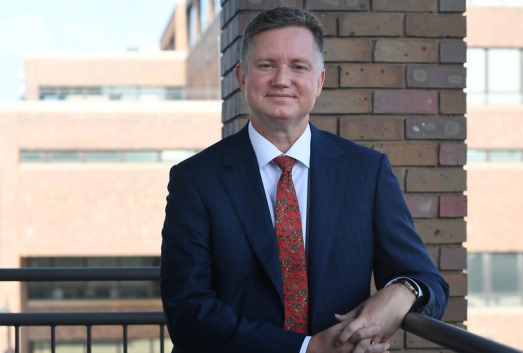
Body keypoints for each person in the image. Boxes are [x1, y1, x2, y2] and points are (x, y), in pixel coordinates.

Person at [160, 6, 449, 353]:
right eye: (267, 65)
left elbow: (429, 282)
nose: (282, 79)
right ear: (241, 77)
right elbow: (188, 311)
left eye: (299, 66)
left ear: (319, 81)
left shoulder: (366, 172)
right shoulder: (195, 179)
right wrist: (307, 349)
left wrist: (402, 291)